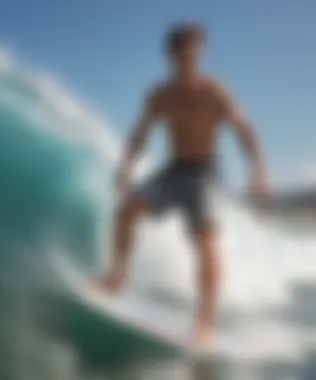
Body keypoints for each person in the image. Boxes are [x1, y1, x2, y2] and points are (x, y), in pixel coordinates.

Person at [94, 22, 269, 347]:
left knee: (205, 244)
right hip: (174, 170)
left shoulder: (215, 92)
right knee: (127, 209)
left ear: (200, 54)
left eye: (194, 53)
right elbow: (141, 133)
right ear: (170, 56)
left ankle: (204, 324)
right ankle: (117, 277)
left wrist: (258, 171)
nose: (187, 60)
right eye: (181, 54)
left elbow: (244, 129)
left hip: (205, 173)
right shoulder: (160, 95)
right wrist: (125, 167)